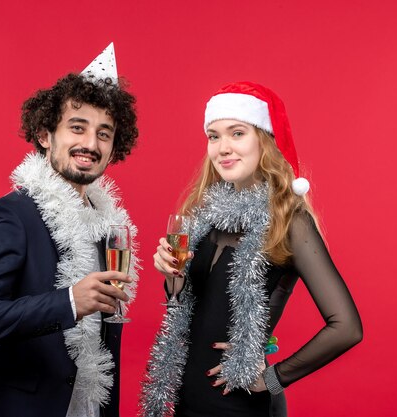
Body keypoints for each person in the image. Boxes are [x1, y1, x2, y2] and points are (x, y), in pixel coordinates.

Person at [140, 81, 362, 417]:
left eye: (237, 133)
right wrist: (172, 275)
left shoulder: (289, 220)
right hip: (185, 396)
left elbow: (347, 327)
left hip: (238, 404)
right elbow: (187, 305)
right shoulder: (205, 216)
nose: (222, 147)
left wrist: (273, 378)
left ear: (264, 140)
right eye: (214, 136)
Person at [0, 43, 140, 417]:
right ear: (44, 135)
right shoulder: (10, 215)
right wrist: (70, 302)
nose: (90, 143)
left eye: (104, 133)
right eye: (77, 127)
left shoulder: (109, 228)